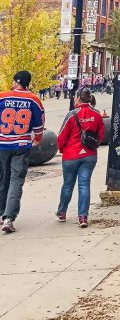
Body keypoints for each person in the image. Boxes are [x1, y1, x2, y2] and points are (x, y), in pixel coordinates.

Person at [0, 70, 45, 234]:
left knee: (2, 178)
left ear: (15, 81)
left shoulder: (3, 96)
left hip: (2, 144)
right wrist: (38, 138)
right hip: (21, 145)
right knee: (16, 180)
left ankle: (1, 212)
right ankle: (9, 218)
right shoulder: (34, 100)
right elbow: (39, 124)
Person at [55, 86, 104, 228]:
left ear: (77, 98)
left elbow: (61, 137)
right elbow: (100, 136)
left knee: (68, 184)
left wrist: (62, 150)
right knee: (84, 184)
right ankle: (83, 216)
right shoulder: (97, 114)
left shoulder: (71, 115)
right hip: (89, 155)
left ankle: (62, 212)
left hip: (71, 155)